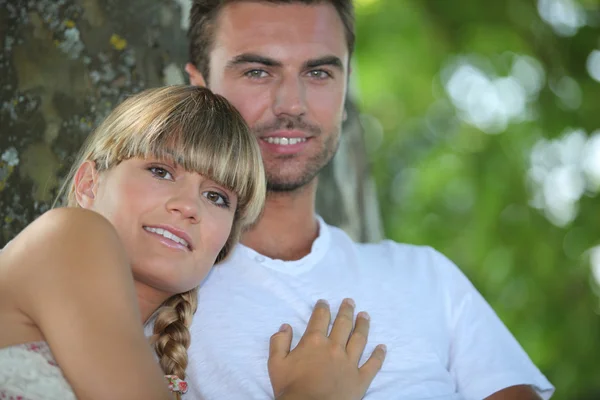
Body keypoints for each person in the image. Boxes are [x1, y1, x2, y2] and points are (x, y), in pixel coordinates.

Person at [181, 1, 556, 399]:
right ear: (198, 87)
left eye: (319, 72)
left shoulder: (427, 278)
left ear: (346, 89)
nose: (292, 104)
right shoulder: (155, 290)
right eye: (257, 72)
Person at [0, 85, 386, 400]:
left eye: (217, 197)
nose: (188, 206)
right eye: (161, 171)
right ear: (88, 184)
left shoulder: (165, 369)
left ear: (224, 245)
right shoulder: (71, 234)